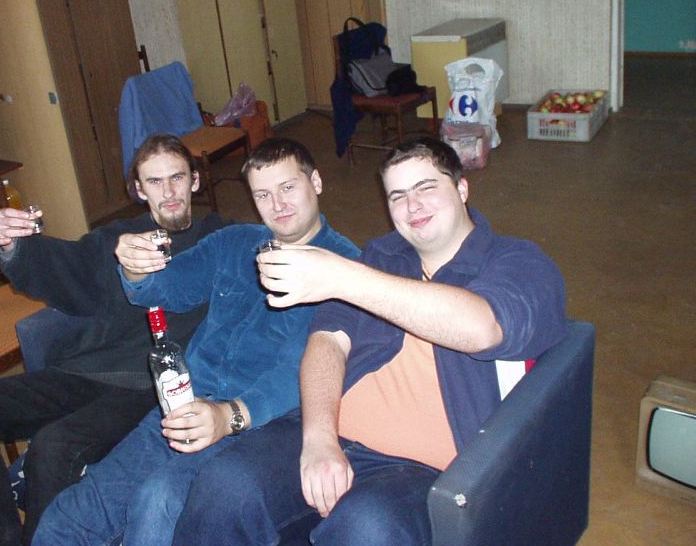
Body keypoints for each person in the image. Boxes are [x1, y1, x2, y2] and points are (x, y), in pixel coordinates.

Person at [172, 137, 569, 546]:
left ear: (462, 188)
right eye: (398, 196)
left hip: (421, 469)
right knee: (227, 483)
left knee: (366, 524)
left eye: (426, 187)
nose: (412, 206)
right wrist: (320, 439)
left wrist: (340, 276)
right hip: (334, 433)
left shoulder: (519, 262)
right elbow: (327, 341)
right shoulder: (384, 256)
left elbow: (482, 328)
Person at [32, 138, 359, 546]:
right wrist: (135, 268)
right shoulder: (234, 242)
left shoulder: (347, 269)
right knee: (68, 516)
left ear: (316, 182)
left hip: (260, 426)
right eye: (262, 194)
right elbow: (166, 288)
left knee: (157, 504)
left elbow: (300, 372)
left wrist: (228, 415)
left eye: (288, 187)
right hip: (182, 408)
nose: (277, 205)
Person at [0, 134, 225, 546]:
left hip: (149, 388)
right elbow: (64, 266)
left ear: (194, 180)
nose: (169, 192)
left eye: (177, 178)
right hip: (84, 370)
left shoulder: (218, 238)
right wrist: (8, 244)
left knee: (53, 446)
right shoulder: (116, 239)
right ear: (139, 190)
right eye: (155, 182)